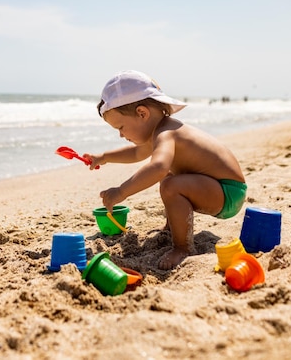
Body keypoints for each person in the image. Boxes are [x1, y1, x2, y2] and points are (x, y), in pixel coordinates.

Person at [84, 70, 246, 269]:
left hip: (228, 191)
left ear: (142, 113)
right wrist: (104, 157)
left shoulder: (166, 133)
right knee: (170, 179)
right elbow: (137, 153)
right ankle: (173, 228)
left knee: (170, 184)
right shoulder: (161, 130)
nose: (120, 134)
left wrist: (120, 192)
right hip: (219, 189)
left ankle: (183, 248)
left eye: (121, 127)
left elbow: (158, 166)